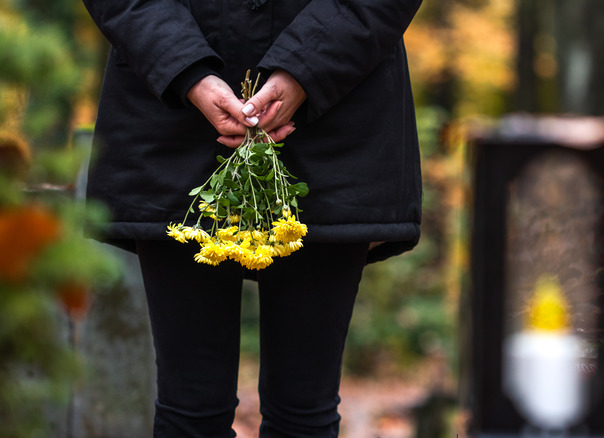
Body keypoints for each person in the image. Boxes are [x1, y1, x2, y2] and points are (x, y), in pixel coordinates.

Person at [81, 0, 423, 436]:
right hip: (170, 116)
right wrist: (187, 70)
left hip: (337, 110)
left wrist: (306, 68)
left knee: (303, 410)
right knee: (190, 408)